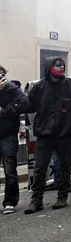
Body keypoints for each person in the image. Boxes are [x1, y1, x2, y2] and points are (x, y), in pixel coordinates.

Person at [25, 57, 71, 214]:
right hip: (44, 135)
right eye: (57, 65)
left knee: (64, 166)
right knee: (40, 167)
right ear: (49, 67)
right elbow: (31, 106)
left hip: (65, 134)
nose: (61, 67)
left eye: (63, 65)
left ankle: (62, 196)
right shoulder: (38, 87)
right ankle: (37, 200)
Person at [0, 66, 31, 214]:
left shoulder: (11, 89)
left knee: (10, 169)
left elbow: (25, 104)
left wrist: (4, 111)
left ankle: (10, 202)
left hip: (8, 135)